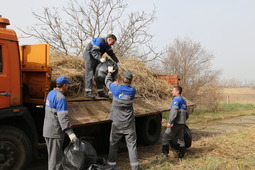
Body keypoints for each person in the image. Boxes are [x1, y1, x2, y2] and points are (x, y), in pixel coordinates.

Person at [105, 68, 139, 170]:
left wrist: (109, 73)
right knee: (132, 146)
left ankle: (111, 166)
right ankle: (135, 168)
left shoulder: (116, 88)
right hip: (129, 123)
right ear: (131, 80)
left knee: (113, 144)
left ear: (122, 79)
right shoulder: (133, 91)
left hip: (117, 123)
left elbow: (107, 82)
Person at [43, 76, 78, 170]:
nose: (68, 88)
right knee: (56, 160)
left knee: (52, 157)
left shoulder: (51, 93)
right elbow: (63, 118)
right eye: (67, 85)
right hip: (55, 132)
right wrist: (70, 133)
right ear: (64, 85)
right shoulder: (61, 98)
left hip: (48, 130)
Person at [83, 34, 119, 98]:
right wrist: (100, 59)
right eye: (112, 42)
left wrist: (117, 62)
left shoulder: (107, 45)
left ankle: (100, 92)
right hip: (89, 55)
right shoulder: (100, 41)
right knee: (89, 73)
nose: (112, 44)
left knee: (99, 73)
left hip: (97, 56)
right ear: (109, 39)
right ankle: (88, 92)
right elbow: (93, 51)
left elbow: (111, 54)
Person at [161, 86, 188, 159]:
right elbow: (186, 114)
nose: (171, 92)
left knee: (165, 137)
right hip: (182, 123)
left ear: (178, 92)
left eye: (173, 90)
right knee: (180, 139)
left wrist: (170, 122)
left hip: (176, 123)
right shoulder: (183, 101)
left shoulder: (176, 100)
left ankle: (164, 155)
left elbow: (174, 112)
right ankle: (181, 156)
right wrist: (183, 121)